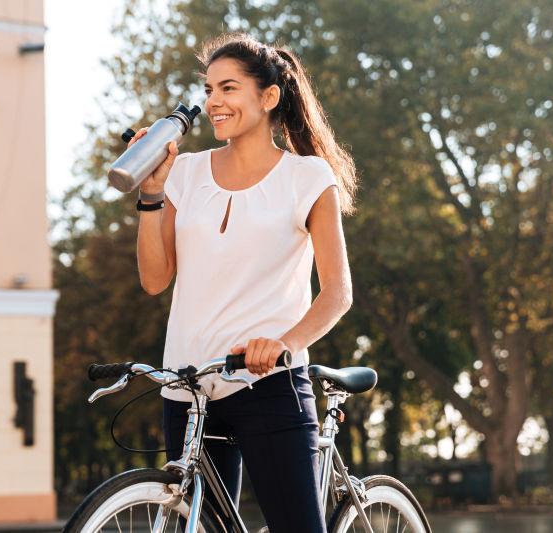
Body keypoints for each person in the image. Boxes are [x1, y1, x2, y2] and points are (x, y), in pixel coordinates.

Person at [132, 32, 357, 533]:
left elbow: (337, 293)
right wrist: (151, 195)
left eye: (228, 88)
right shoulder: (185, 173)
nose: (213, 101)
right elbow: (154, 279)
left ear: (268, 96)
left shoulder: (307, 177)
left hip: (267, 383)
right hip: (186, 387)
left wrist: (283, 344)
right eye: (209, 89)